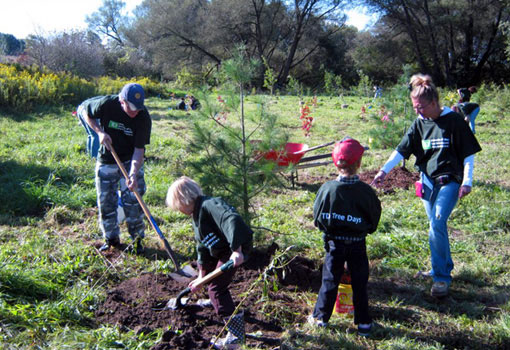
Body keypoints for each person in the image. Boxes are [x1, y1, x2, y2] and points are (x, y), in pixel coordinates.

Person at [371, 74, 482, 297]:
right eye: (414, 107)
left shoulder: (454, 121)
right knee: (434, 226)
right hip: (427, 181)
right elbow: (401, 150)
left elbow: (468, 154)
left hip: (449, 181)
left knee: (438, 221)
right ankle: (439, 267)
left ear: (433, 103)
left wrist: (467, 181)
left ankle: (441, 279)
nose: (417, 111)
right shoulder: (420, 124)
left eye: (420, 107)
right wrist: (384, 170)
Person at [166, 176, 253, 349]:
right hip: (220, 251)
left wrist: (237, 249)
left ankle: (236, 337)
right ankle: (213, 300)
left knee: (216, 288)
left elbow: (231, 219)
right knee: (210, 283)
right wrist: (200, 277)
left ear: (183, 200)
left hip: (233, 249)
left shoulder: (209, 205)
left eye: (177, 205)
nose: (178, 210)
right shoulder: (196, 215)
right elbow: (203, 248)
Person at [308, 138, 381, 337]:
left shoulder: (327, 189)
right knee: (359, 283)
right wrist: (364, 228)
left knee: (330, 280)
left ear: (335, 162)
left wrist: (329, 228)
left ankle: (320, 318)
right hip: (358, 244)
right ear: (359, 163)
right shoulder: (366, 192)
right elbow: (374, 217)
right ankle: (364, 323)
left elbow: (317, 217)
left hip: (334, 244)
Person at [79, 83, 152, 254]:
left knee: (134, 200)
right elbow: (85, 112)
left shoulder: (143, 117)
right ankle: (111, 239)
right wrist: (99, 132)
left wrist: (133, 174)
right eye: (131, 108)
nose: (135, 112)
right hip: (107, 159)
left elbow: (139, 150)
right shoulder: (107, 104)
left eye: (138, 108)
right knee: (106, 201)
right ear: (122, 101)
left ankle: (137, 240)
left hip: (129, 159)